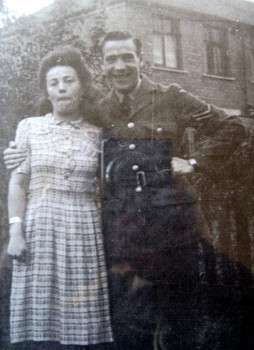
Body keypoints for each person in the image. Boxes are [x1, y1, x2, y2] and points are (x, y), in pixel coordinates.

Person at [4, 32, 248, 349]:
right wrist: (19, 153)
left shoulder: (170, 96)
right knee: (130, 328)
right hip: (123, 235)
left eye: (127, 57)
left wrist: (194, 161)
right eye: (111, 59)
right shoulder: (99, 111)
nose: (120, 66)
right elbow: (64, 134)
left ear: (141, 60)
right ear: (102, 67)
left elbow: (233, 126)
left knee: (179, 325)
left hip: (173, 230)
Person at [6, 46, 113, 350]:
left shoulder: (98, 133)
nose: (62, 88)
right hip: (38, 226)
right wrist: (16, 231)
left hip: (83, 229)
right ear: (47, 91)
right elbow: (18, 182)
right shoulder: (30, 127)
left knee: (81, 323)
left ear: (82, 88)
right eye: (54, 83)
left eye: (69, 80)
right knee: (38, 324)